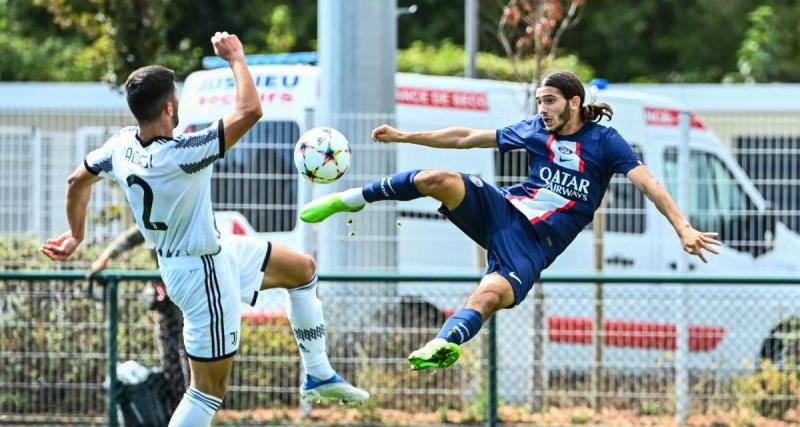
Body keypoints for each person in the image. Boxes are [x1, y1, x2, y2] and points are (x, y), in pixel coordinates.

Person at [40, 32, 367, 427]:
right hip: (200, 271)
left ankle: (318, 373)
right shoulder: (182, 154)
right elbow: (250, 112)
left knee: (302, 269)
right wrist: (236, 59)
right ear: (168, 106)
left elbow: (76, 182)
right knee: (206, 391)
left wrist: (76, 234)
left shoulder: (120, 146)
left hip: (211, 252)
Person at [299, 70, 722, 371]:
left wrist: (682, 226)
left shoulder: (604, 141)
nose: (542, 108)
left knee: (487, 298)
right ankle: (351, 199)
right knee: (438, 177)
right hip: (504, 209)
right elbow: (466, 137)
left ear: (574, 102)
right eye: (539, 101)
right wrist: (406, 136)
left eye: (549, 100)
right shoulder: (535, 130)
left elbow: (647, 181)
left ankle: (443, 342)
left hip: (533, 246)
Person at [88, 225, 189, 417]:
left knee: (192, 367)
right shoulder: (154, 215)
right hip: (166, 304)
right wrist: (104, 258)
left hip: (190, 301)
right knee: (171, 367)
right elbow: (131, 237)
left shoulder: (187, 213)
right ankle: (176, 416)